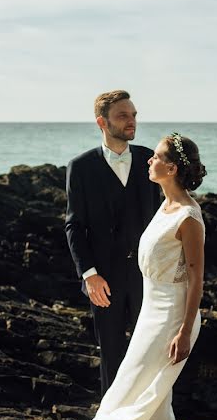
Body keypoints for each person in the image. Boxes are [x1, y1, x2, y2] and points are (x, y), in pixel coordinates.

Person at [52, 133, 208, 420]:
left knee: (141, 394)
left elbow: (196, 280)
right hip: (150, 315)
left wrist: (184, 330)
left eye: (155, 158)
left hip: (171, 319)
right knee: (144, 395)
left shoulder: (188, 217)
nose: (147, 162)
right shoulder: (166, 204)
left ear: (171, 169)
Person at [65, 90, 164, 395]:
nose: (131, 121)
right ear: (102, 122)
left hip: (145, 277)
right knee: (111, 354)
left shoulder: (152, 162)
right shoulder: (80, 167)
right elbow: (74, 226)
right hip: (102, 280)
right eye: (123, 116)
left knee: (147, 353)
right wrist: (89, 274)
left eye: (133, 115)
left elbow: (162, 219)